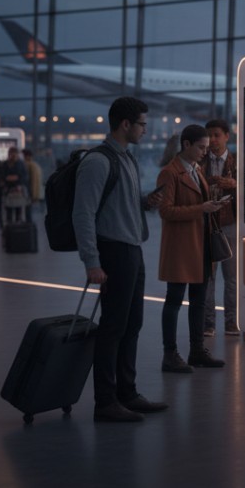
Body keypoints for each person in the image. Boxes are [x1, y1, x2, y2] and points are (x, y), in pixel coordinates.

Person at [73, 96, 168, 423]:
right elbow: (82, 214)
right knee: (113, 328)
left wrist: (145, 202)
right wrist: (91, 261)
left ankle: (127, 393)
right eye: (142, 123)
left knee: (132, 325)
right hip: (113, 251)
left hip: (132, 249)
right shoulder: (98, 162)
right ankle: (106, 401)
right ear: (125, 124)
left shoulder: (126, 159)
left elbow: (118, 204)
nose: (145, 128)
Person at [157, 123, 228, 374]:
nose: (205, 152)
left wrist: (210, 205)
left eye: (207, 148)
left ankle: (196, 350)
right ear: (186, 145)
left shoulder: (197, 170)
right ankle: (170, 353)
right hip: (181, 247)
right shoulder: (170, 173)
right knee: (174, 299)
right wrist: (202, 209)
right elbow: (165, 211)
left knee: (198, 300)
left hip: (200, 244)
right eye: (201, 147)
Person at [201, 119, 239, 336]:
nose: (212, 140)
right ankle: (209, 323)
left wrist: (235, 185)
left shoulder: (237, 162)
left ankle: (231, 321)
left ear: (227, 136)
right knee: (209, 277)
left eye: (216, 135)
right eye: (209, 136)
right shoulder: (201, 161)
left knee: (231, 276)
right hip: (207, 223)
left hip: (229, 222)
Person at [0, 148, 29, 225]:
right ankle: (10, 229)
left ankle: (16, 229)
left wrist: (17, 179)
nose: (13, 156)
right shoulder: (5, 164)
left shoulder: (21, 164)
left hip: (18, 190)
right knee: (8, 212)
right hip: (9, 190)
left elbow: (25, 176)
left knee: (18, 212)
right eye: (11, 154)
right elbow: (1, 175)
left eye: (14, 154)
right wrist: (7, 178)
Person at [23, 149, 44, 222]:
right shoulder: (35, 165)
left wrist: (34, 195)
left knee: (27, 213)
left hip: (29, 192)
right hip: (33, 192)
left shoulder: (29, 165)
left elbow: (33, 181)